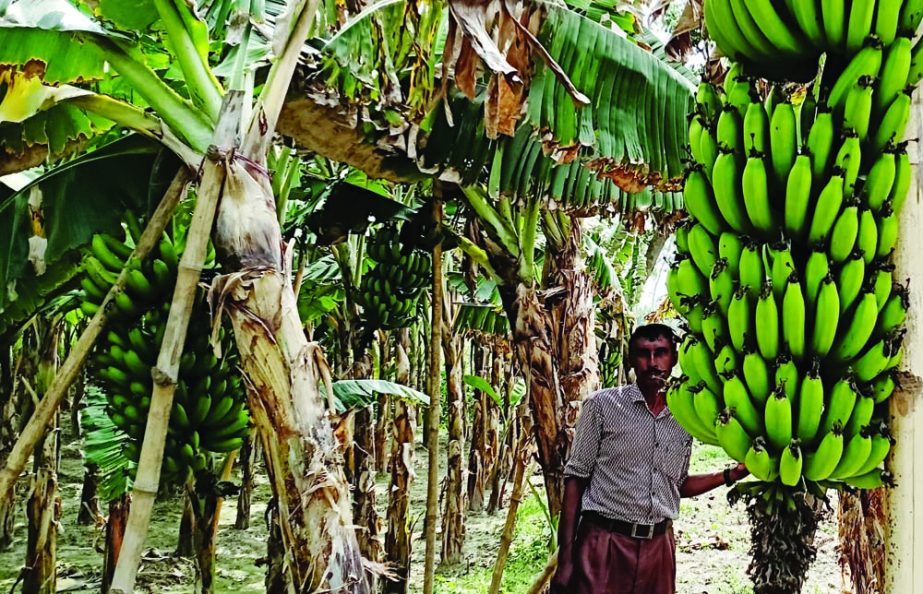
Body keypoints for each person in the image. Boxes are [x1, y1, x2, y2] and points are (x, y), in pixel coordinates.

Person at [550, 323, 749, 594]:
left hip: (659, 546)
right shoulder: (602, 406)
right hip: (604, 543)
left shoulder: (686, 417)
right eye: (644, 354)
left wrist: (729, 476)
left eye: (661, 353)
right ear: (632, 359)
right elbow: (576, 479)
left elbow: (676, 485)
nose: (653, 363)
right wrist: (565, 559)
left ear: (674, 358)